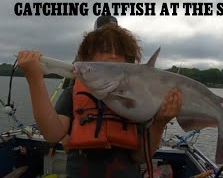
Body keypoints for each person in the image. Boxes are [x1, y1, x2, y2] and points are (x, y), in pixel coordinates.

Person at [17, 17, 182, 178]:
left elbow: (140, 157)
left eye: (120, 53)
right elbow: (52, 134)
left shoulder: (140, 100)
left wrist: (159, 123)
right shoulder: (73, 93)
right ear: (88, 58)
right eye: (104, 51)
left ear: (130, 62)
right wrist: (35, 79)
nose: (112, 56)